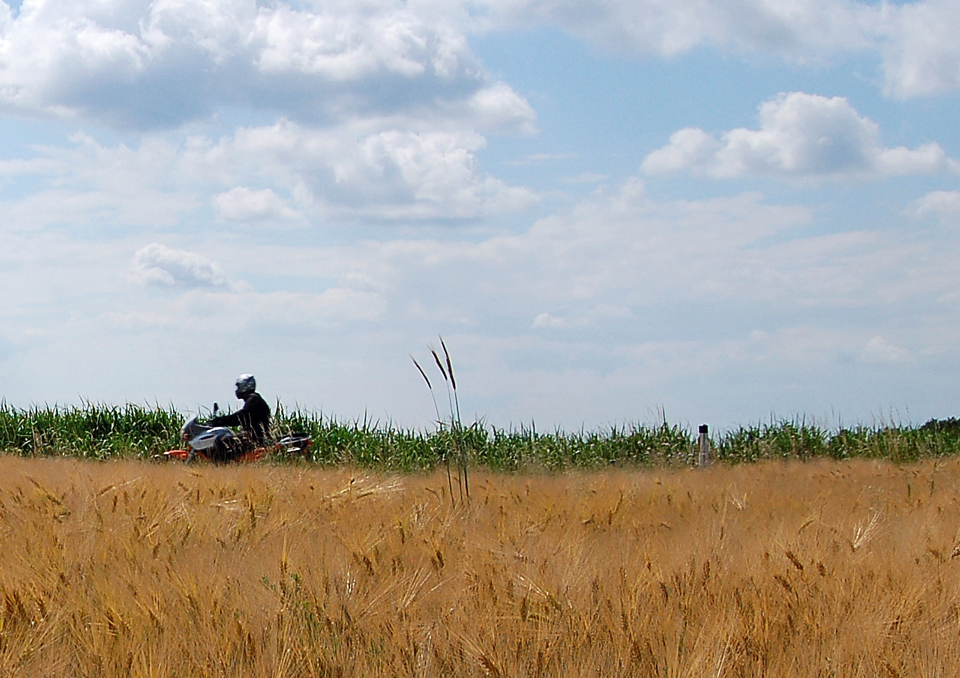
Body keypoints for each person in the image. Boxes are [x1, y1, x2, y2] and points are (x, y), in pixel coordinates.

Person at [207, 374, 271, 460]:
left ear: (245, 386)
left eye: (238, 386)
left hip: (254, 438)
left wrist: (220, 421)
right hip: (252, 436)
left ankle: (224, 465)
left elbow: (241, 417)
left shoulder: (254, 399)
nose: (237, 390)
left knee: (221, 443)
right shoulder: (254, 399)